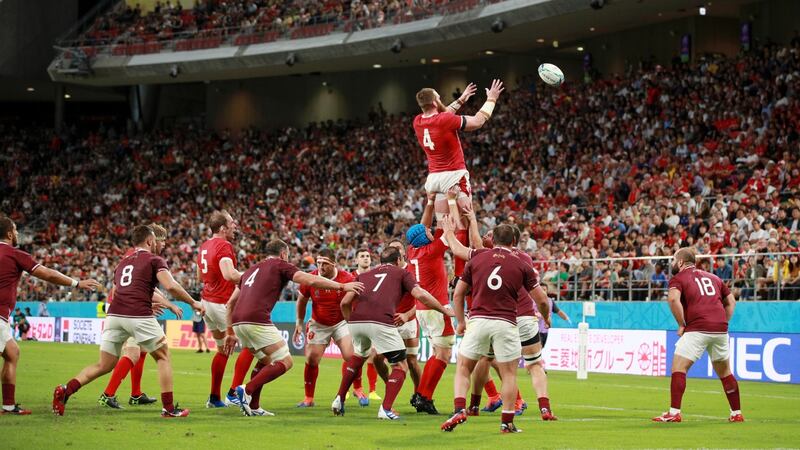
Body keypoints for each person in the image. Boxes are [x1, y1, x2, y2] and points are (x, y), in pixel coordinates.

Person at [53, 224, 203, 418]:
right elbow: (171, 286)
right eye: (157, 241)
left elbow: (120, 290)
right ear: (150, 241)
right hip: (137, 315)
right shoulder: (154, 260)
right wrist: (193, 302)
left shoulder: (122, 263)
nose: (160, 244)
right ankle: (169, 408)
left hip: (115, 315)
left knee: (104, 365)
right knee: (163, 356)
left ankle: (66, 390)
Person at [226, 239, 364, 416]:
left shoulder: (251, 270)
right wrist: (342, 286)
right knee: (286, 361)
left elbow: (230, 304)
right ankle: (246, 390)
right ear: (283, 254)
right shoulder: (281, 265)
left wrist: (230, 332)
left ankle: (254, 406)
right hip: (256, 319)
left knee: (265, 361)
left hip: (238, 322)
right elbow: (309, 280)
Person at [441, 224, 550, 434]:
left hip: (478, 319)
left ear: (493, 240)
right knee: (509, 374)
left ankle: (459, 409)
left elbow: (457, 294)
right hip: (507, 322)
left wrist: (460, 322)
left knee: (464, 367)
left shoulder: (478, 257)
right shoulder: (522, 263)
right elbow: (542, 300)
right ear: (514, 242)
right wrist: (545, 316)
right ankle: (506, 423)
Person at [332, 246, 453, 420]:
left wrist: (351, 321)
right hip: (381, 321)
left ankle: (339, 399)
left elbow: (345, 302)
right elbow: (420, 295)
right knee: (401, 366)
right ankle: (386, 409)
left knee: (359, 356)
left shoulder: (364, 275)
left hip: (357, 320)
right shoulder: (402, 273)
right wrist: (443, 310)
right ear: (398, 260)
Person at [0, 216, 99, 415]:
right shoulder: (13, 254)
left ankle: (9, 406)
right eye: (16, 230)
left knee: (12, 352)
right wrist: (76, 283)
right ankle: (8, 406)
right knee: (12, 353)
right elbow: (48, 274)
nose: (18, 233)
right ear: (10, 234)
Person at [653, 247, 743, 423]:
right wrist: (722, 321)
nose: (671, 263)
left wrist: (681, 324)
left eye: (673, 259)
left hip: (697, 328)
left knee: (679, 368)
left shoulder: (678, 278)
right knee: (725, 372)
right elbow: (731, 301)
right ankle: (736, 413)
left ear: (680, 262)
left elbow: (672, 299)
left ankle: (674, 412)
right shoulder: (714, 277)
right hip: (720, 330)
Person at [99, 223, 182, 409]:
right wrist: (167, 304)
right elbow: (132, 287)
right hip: (127, 310)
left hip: (127, 308)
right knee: (134, 352)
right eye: (163, 241)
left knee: (142, 350)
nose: (164, 245)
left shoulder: (134, 255)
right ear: (152, 241)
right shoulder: (140, 257)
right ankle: (108, 393)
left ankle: (135, 394)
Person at [292, 248, 366, 408]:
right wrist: (299, 322)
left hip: (341, 322)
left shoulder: (347, 278)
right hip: (319, 323)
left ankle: (358, 389)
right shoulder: (310, 278)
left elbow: (357, 300)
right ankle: (308, 398)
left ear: (334, 264)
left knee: (351, 355)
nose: (320, 267)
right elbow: (302, 301)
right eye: (318, 263)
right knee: (312, 358)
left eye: (325, 264)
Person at [197, 210, 254, 408]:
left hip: (207, 303)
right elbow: (230, 274)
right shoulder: (223, 245)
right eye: (231, 223)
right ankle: (233, 392)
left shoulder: (204, 246)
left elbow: (199, 277)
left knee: (222, 350)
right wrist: (254, 275)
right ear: (222, 228)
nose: (235, 225)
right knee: (252, 345)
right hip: (223, 304)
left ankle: (214, 398)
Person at [386, 239, 423, 404]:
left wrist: (407, 315)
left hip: (408, 321)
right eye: (392, 248)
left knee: (412, 360)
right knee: (377, 358)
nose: (395, 251)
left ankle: (420, 395)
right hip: (389, 321)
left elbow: (422, 299)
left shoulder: (413, 270)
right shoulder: (384, 271)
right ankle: (387, 389)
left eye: (398, 248)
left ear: (404, 253)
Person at [350, 248, 386, 402]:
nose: (365, 258)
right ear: (356, 260)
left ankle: (372, 390)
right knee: (351, 356)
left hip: (372, 319)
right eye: (362, 256)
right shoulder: (350, 277)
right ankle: (352, 388)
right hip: (354, 320)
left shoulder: (377, 276)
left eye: (368, 256)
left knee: (373, 355)